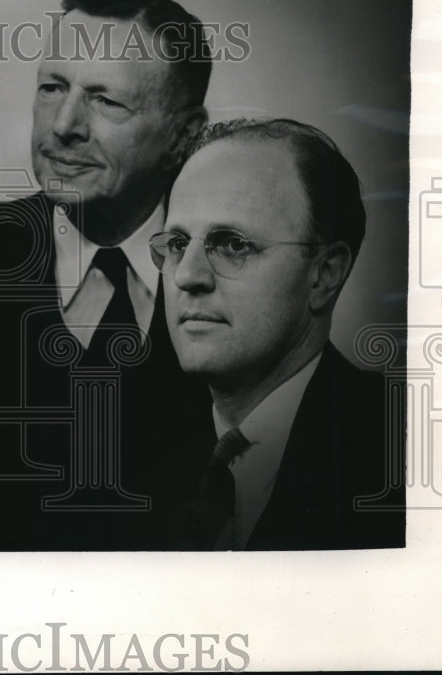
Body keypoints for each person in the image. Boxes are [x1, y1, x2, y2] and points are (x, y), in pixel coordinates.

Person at [0, 0, 211, 549]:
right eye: (52, 88)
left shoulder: (234, 285)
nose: (64, 126)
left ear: (183, 136)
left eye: (105, 101)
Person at [150, 118, 405, 550]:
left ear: (324, 275)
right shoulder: (140, 455)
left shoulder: (406, 456)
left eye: (232, 244)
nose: (186, 276)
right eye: (177, 244)